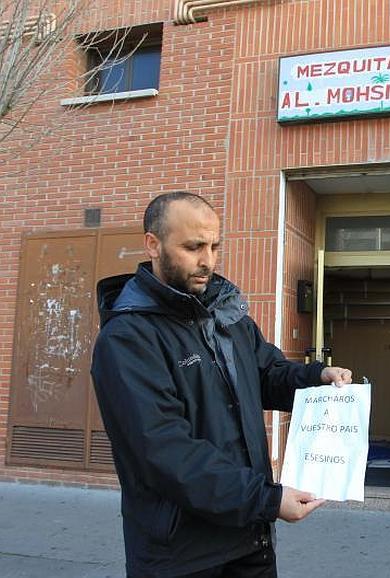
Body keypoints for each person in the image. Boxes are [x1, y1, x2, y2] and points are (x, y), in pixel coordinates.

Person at [91, 192, 352, 578]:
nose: (207, 261)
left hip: (250, 541)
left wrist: (315, 379)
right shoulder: (128, 338)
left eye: (214, 246)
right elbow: (165, 451)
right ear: (153, 245)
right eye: (193, 247)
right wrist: (266, 500)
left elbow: (265, 374)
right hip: (182, 556)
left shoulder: (226, 314)